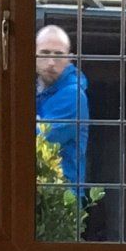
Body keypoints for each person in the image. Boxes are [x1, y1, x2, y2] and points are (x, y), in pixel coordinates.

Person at [34, 24, 89, 199]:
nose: (51, 62)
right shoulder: (37, 90)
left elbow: (40, 140)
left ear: (69, 59)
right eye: (44, 53)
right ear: (33, 55)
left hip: (62, 200)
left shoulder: (73, 95)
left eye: (58, 55)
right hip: (40, 193)